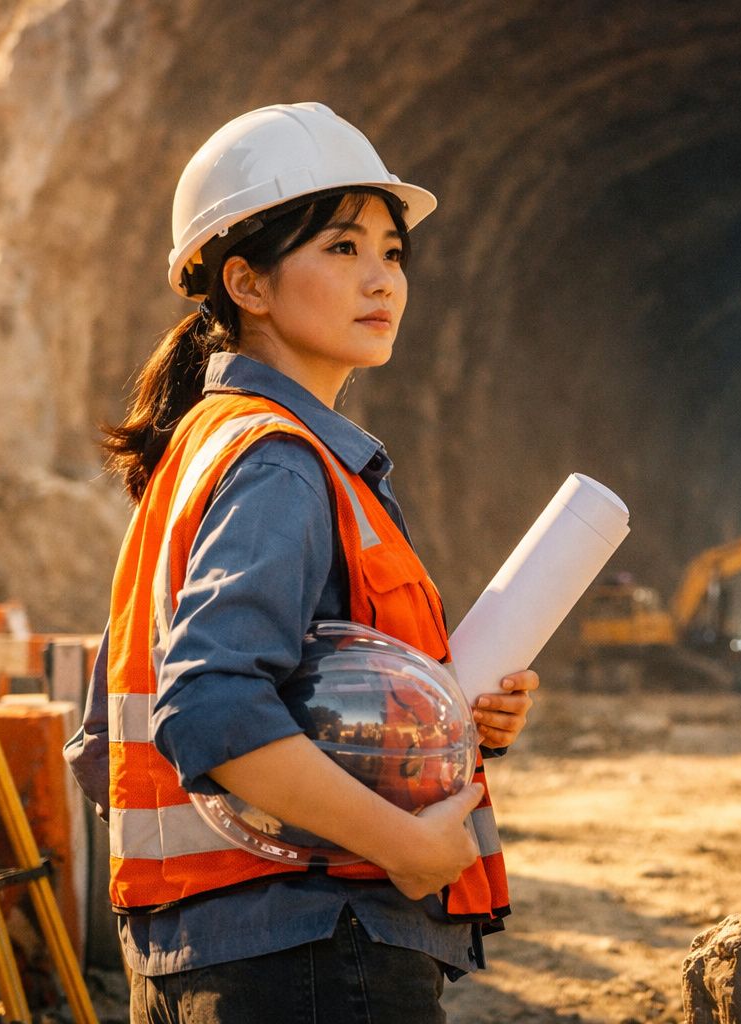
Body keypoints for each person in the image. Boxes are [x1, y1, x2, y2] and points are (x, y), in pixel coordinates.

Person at [63, 103, 538, 1023]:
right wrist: (404, 845)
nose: (381, 280)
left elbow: (120, 741)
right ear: (247, 281)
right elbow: (210, 709)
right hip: (311, 953)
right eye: (342, 248)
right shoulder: (280, 461)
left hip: (209, 952)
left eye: (392, 253)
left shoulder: (205, 447)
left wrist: (453, 717)